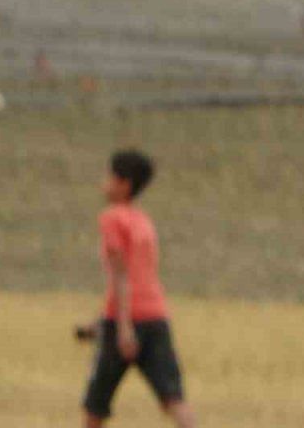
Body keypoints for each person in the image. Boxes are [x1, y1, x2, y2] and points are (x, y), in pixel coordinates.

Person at [76, 149, 197, 427]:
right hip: (156, 317)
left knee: (95, 407)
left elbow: (120, 274)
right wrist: (98, 324)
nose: (103, 182)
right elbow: (142, 276)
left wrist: (123, 327)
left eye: (109, 177)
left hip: (125, 321)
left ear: (124, 184)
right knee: (173, 400)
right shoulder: (143, 221)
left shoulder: (111, 218)